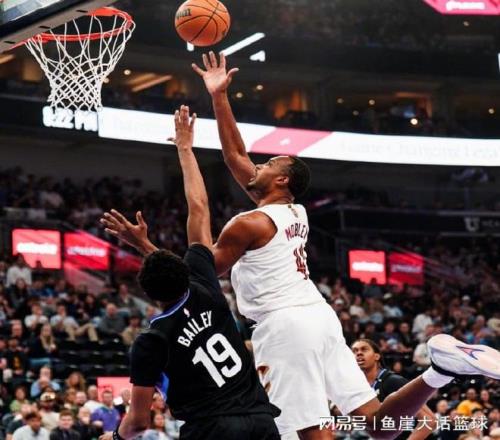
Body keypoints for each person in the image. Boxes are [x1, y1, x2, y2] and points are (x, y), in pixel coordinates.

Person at [105, 79, 500, 439]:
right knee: (379, 426)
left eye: (268, 164)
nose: (258, 165)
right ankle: (439, 371)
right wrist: (219, 96)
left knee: (308, 433)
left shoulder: (249, 224)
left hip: (285, 328)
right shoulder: (295, 212)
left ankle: (439, 369)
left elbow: (196, 269)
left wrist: (146, 245)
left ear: (281, 179)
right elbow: (235, 155)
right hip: (320, 317)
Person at [99, 105, 280, 440]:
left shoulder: (152, 339)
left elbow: (138, 423)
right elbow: (198, 207)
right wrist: (185, 148)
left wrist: (114, 437)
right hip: (260, 421)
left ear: (148, 294)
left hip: (209, 429)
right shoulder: (204, 286)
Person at [351, 339, 436, 440]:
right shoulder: (358, 387)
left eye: (364, 349)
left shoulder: (393, 381)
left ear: (377, 356)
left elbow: (430, 420)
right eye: (355, 351)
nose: (359, 353)